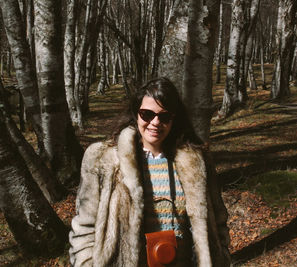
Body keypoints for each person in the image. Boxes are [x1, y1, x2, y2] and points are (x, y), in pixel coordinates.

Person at [69, 77, 231, 266]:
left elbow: (218, 222)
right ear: (136, 114)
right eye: (147, 114)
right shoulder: (103, 159)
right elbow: (84, 228)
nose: (155, 122)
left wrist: (222, 258)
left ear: (174, 119)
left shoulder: (196, 161)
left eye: (164, 116)